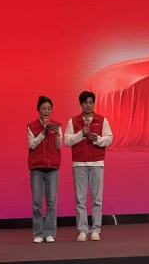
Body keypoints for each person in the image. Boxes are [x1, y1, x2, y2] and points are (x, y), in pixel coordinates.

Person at [64, 90, 113, 242]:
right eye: (85, 102)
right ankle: (83, 230)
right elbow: (67, 141)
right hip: (79, 164)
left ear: (94, 103)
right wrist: (81, 134)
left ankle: (96, 230)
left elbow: (109, 139)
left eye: (91, 102)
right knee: (80, 200)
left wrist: (97, 139)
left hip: (97, 163)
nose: (88, 105)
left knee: (97, 199)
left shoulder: (102, 120)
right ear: (81, 104)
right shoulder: (73, 121)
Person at [27, 95, 62, 243]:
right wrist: (43, 133)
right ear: (38, 110)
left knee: (52, 202)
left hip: (52, 167)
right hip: (37, 168)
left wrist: (57, 134)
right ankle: (38, 233)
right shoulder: (31, 126)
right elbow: (32, 145)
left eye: (49, 109)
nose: (46, 111)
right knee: (37, 203)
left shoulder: (57, 126)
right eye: (43, 109)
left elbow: (59, 146)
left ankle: (49, 233)